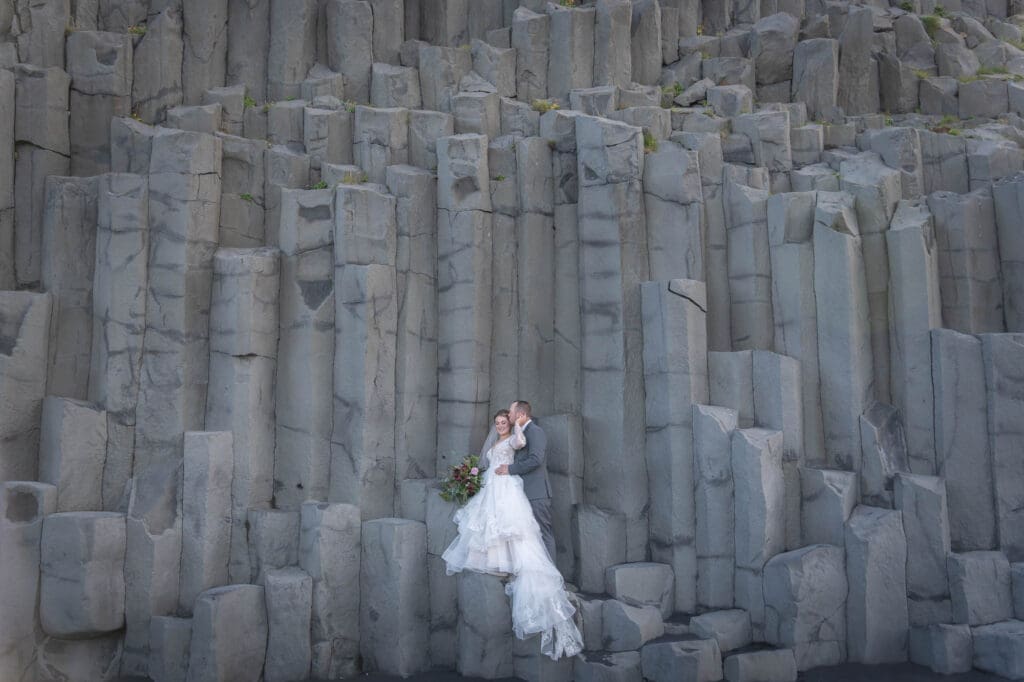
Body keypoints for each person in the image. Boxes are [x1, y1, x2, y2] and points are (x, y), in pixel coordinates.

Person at [442, 406, 582, 660]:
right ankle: (498, 562)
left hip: (507, 484)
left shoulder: (518, 436)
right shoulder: (495, 441)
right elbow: (487, 462)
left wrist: (517, 426)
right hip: (492, 484)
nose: (500, 425)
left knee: (511, 526)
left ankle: (531, 570)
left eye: (503, 421)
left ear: (512, 420)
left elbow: (521, 444)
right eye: (497, 422)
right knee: (489, 525)